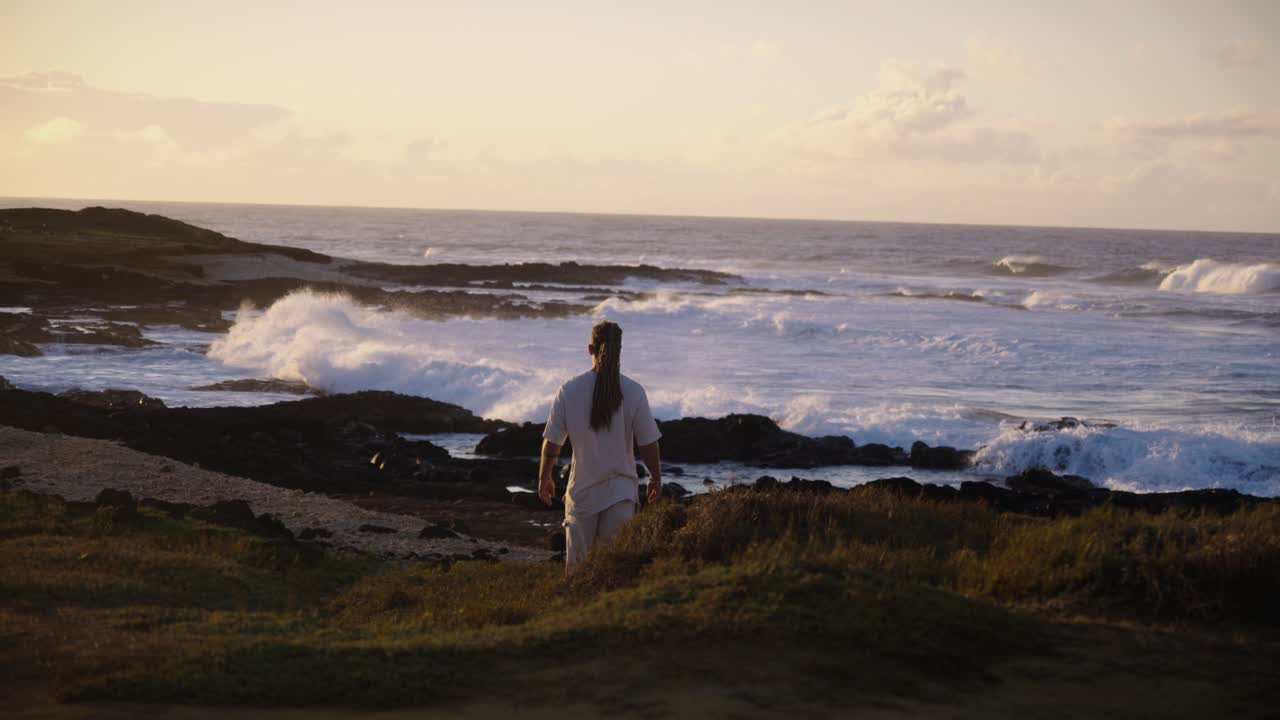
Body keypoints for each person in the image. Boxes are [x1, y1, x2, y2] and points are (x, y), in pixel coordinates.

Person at [539, 320, 662, 571]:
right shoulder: (634, 391)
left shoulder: (569, 391)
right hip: (622, 494)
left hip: (582, 494)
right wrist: (655, 478)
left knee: (578, 573)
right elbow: (648, 442)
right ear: (620, 349)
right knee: (614, 572)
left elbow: (552, 443)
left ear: (590, 349)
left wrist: (545, 477)